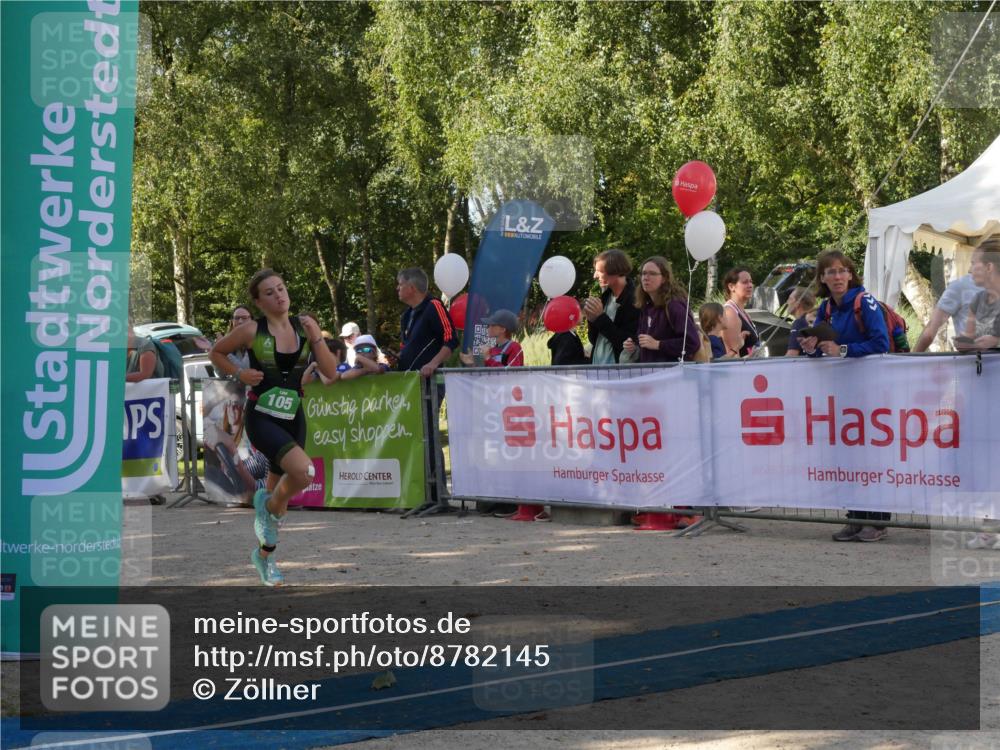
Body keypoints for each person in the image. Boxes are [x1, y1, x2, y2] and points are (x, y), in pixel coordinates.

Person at [210, 269, 338, 586]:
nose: (279, 295)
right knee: (305, 472)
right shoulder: (252, 330)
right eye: (269, 292)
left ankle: (265, 557)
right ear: (258, 301)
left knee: (278, 499)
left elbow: (331, 373)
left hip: (293, 416)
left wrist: (317, 337)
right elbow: (216, 352)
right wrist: (239, 375)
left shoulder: (304, 327)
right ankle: (266, 506)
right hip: (263, 416)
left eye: (281, 288)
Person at [799, 250, 891, 543]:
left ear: (850, 274)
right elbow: (826, 349)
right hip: (842, 393)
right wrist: (812, 346)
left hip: (872, 391)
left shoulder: (866, 302)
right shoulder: (826, 309)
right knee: (848, 455)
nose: (837, 277)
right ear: (822, 278)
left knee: (871, 456)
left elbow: (881, 342)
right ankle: (855, 517)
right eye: (830, 272)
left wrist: (845, 351)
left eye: (841, 271)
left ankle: (876, 522)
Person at [396, 267, 459, 510]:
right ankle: (420, 492)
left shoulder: (434, 306)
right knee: (414, 436)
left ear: (412, 287)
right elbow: (408, 347)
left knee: (431, 434)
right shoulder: (406, 316)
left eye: (400, 284)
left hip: (429, 385)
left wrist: (432, 364)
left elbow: (450, 339)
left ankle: (438, 494)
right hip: (409, 384)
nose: (397, 289)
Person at [622, 256, 701, 363]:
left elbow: (692, 342)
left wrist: (658, 344)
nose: (646, 277)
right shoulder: (647, 306)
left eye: (652, 273)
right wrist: (633, 344)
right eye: (644, 273)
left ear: (664, 278)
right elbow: (647, 340)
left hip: (672, 375)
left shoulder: (674, 306)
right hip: (650, 375)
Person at [584, 249, 640, 364]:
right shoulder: (605, 297)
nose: (595, 276)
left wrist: (600, 317)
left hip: (619, 372)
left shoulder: (634, 300)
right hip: (598, 366)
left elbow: (627, 342)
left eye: (599, 271)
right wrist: (591, 320)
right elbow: (595, 340)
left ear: (615, 271)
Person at [913, 273, 979, 352]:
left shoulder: (961, 286)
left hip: (973, 360)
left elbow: (929, 333)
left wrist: (912, 360)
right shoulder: (961, 286)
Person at [956, 239, 1000, 352]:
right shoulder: (977, 300)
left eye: (973, 263)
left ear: (989, 267)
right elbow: (969, 336)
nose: (970, 270)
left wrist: (996, 341)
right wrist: (964, 343)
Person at [459, 309, 525, 367]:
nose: (488, 327)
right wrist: (472, 362)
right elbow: (486, 374)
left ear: (503, 329)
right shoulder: (492, 350)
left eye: (493, 325)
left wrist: (488, 358)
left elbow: (511, 374)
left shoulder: (515, 347)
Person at [721, 267, 759, 357]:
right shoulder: (730, 313)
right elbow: (733, 357)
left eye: (751, 281)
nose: (750, 285)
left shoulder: (742, 312)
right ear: (731, 287)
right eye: (745, 282)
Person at [784, 286, 818, 357]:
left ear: (798, 303)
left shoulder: (799, 323)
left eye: (790, 299)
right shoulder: (815, 321)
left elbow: (791, 355)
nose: (787, 302)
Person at [225, 305, 254, 370]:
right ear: (232, 321)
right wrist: (212, 350)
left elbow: (245, 370)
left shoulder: (258, 340)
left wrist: (224, 351)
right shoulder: (230, 341)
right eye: (237, 318)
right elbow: (222, 374)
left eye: (244, 318)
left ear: (252, 320)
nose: (240, 321)